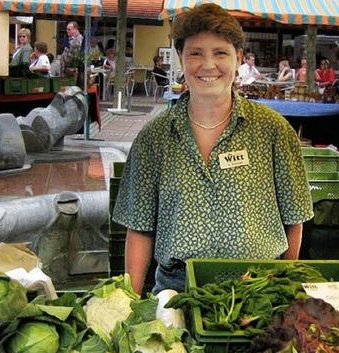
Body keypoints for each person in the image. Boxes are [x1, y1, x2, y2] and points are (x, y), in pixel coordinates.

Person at [112, 3, 313, 295]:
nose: (208, 65)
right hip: (178, 294)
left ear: (238, 58)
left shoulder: (274, 131)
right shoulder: (153, 138)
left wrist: (281, 286)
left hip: (257, 291)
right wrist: (130, 302)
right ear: (181, 58)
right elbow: (140, 229)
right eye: (195, 53)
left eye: (220, 53)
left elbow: (294, 218)